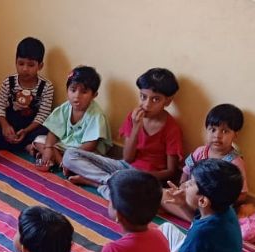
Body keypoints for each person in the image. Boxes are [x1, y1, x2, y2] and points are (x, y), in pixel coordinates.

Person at [62, 68, 183, 199]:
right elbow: (128, 158)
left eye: (155, 99)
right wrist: (136, 127)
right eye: (143, 97)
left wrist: (143, 176)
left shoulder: (171, 128)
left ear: (167, 101)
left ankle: (96, 182)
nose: (147, 104)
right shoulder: (134, 117)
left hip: (143, 178)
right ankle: (109, 181)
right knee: (70, 155)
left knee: (132, 199)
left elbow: (171, 171)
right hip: (122, 167)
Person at [159, 159, 244, 252]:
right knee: (166, 228)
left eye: (191, 183)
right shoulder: (223, 210)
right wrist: (183, 204)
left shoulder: (204, 231)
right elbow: (196, 221)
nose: (185, 184)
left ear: (203, 201)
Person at [162, 104, 247, 221]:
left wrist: (218, 201)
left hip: (211, 208)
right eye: (213, 129)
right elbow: (186, 171)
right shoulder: (200, 151)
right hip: (191, 198)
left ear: (235, 135)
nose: (217, 136)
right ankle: (194, 217)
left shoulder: (234, 162)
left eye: (225, 131)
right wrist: (181, 187)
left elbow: (242, 195)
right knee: (162, 194)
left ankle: (200, 219)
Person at [0, 37, 55, 152]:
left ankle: (18, 143)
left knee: (50, 127)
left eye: (31, 65)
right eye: (21, 63)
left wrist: (26, 131)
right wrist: (5, 126)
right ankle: (23, 145)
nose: (25, 69)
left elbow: (43, 114)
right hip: (10, 123)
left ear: (40, 66)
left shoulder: (46, 87)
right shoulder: (9, 81)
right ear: (15, 62)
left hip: (30, 127)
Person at [35, 66, 112, 169]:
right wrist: (48, 148)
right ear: (67, 90)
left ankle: (60, 161)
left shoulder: (96, 115)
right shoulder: (65, 108)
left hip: (83, 151)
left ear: (94, 95)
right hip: (65, 146)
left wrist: (70, 155)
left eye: (84, 92)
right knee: (39, 140)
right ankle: (59, 160)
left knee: (86, 161)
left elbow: (90, 146)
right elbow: (53, 132)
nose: (77, 96)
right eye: (73, 90)